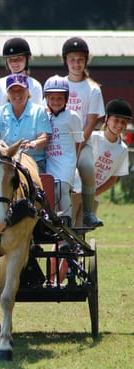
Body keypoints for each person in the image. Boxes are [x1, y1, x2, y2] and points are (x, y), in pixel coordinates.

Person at [62, 36, 105, 227]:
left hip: (82, 141)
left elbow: (90, 122)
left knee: (87, 168)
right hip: (59, 142)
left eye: (80, 59)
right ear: (66, 61)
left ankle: (88, 212)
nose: (76, 64)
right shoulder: (59, 84)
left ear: (85, 61)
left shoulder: (93, 89)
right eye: (72, 59)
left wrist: (78, 145)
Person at [72, 98, 131, 226]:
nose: (119, 125)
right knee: (66, 228)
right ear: (107, 119)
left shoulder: (122, 149)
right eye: (116, 120)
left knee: (81, 230)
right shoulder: (92, 138)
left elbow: (114, 178)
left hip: (93, 196)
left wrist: (95, 193)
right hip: (75, 189)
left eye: (123, 122)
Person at [0, 73, 52, 173]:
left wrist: (34, 144)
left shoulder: (39, 111)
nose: (17, 94)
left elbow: (43, 138)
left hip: (34, 162)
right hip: (6, 161)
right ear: (8, 94)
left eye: (21, 90)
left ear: (28, 92)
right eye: (13, 91)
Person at [44, 75, 83, 223]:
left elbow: (78, 142)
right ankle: (51, 223)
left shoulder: (72, 116)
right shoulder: (43, 115)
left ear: (66, 99)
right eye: (52, 98)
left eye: (59, 98)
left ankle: (67, 224)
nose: (55, 102)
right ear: (46, 99)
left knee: (62, 189)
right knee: (50, 192)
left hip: (66, 161)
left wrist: (72, 162)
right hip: (50, 161)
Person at [0, 37, 43, 114]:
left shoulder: (35, 86)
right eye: (10, 60)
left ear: (27, 58)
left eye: (19, 59)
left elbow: (36, 114)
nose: (14, 63)